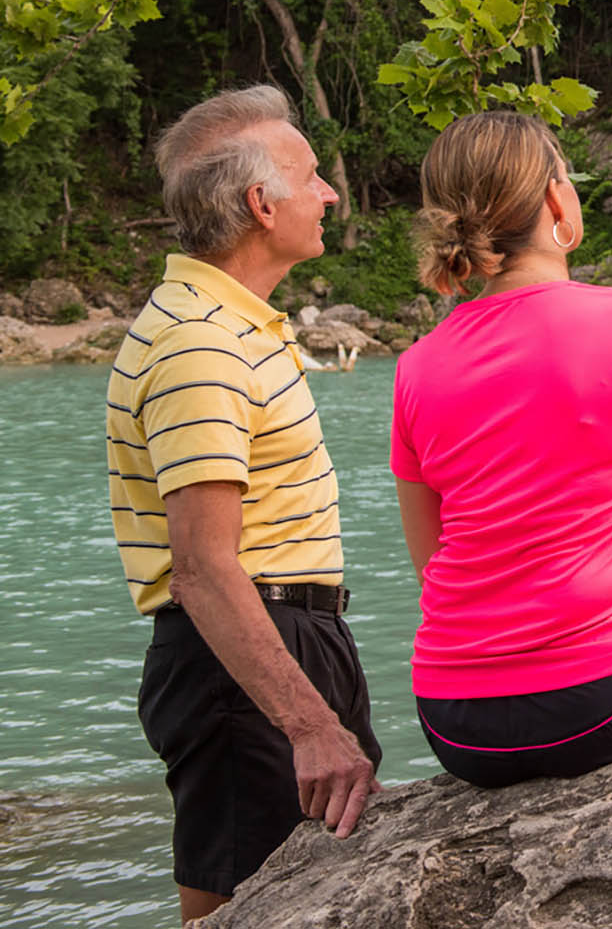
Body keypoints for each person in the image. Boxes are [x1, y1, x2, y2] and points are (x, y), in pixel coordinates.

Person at [392, 112, 612, 789]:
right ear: (558, 201)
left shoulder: (414, 367)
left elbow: (432, 563)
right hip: (605, 692)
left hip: (455, 719)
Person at [107, 86, 380, 924]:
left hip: (282, 638)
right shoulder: (199, 342)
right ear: (262, 204)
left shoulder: (228, 324)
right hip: (247, 657)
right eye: (309, 177)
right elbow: (202, 568)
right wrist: (307, 723)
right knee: (233, 908)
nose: (329, 192)